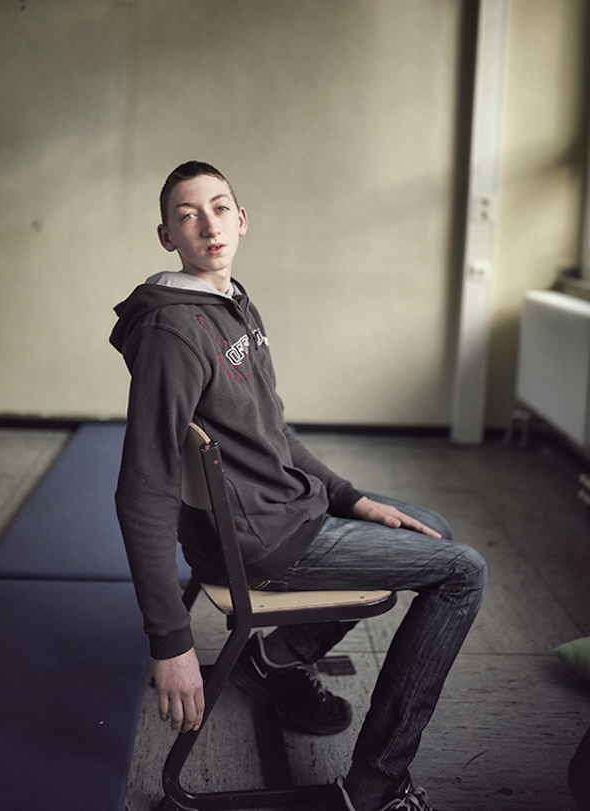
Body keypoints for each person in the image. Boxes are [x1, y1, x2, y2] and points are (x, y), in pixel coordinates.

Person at [110, 161, 487, 811]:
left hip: (281, 510)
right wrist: (170, 641)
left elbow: (272, 431)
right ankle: (378, 783)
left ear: (242, 219)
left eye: (220, 208)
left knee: (434, 530)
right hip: (263, 540)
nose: (208, 225)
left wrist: (352, 497)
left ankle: (275, 660)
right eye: (187, 215)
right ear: (167, 236)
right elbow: (142, 489)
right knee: (463, 571)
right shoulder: (174, 332)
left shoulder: (231, 302)